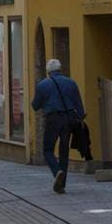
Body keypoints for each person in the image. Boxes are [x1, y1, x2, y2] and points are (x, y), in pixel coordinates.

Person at [31, 58, 86, 193]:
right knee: (64, 151)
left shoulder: (43, 85)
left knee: (48, 149)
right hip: (68, 119)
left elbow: (35, 106)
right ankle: (62, 184)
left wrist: (45, 101)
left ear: (48, 71)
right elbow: (80, 107)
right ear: (60, 69)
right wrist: (80, 118)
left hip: (53, 119)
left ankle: (57, 172)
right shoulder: (71, 83)